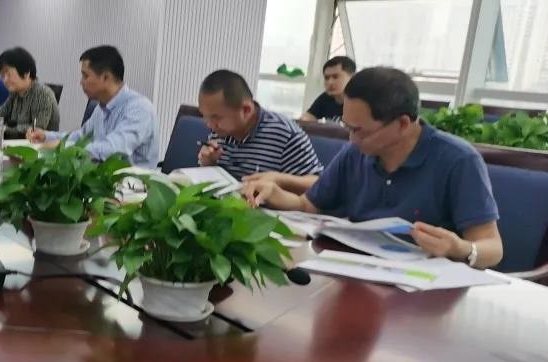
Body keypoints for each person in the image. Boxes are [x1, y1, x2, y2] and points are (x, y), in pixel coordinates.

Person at [243, 67, 503, 269]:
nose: (352, 139)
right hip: (360, 270)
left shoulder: (457, 160)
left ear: (402, 123)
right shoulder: (355, 152)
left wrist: (460, 249)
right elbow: (308, 205)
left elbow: (492, 248)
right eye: (347, 127)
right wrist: (275, 193)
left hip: (424, 289)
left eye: (360, 131)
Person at [28, 45, 158, 168]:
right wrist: (46, 136)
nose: (81, 82)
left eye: (85, 76)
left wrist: (62, 147)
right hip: (102, 176)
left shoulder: (139, 109)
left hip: (133, 182)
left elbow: (112, 150)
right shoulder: (101, 108)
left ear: (105, 77)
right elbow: (82, 136)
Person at [197, 69, 323, 191]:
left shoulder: (285, 134)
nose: (209, 125)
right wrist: (208, 163)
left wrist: (279, 180)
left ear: (246, 110)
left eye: (216, 117)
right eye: (205, 116)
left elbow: (319, 184)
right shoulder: (220, 131)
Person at [0, 47, 60, 139]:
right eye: (2, 75)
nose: (5, 80)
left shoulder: (42, 93)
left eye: (8, 74)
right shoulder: (14, 93)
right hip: (15, 142)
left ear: (26, 73)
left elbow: (36, 128)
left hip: (39, 145)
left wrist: (5, 128)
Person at [301, 56, 356, 123]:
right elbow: (307, 118)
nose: (330, 82)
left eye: (335, 77)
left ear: (352, 77)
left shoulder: (361, 101)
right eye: (326, 78)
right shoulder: (325, 98)